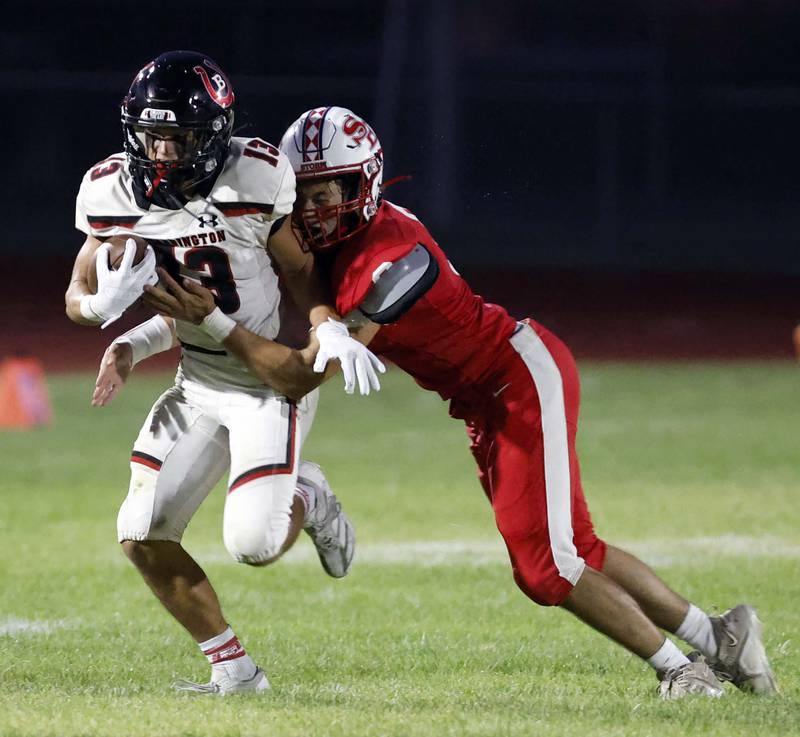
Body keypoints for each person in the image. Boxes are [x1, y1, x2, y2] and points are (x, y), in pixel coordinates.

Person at [117, 106, 777, 699]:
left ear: (363, 185)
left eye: (328, 191)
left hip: (516, 377)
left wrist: (219, 326)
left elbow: (293, 378)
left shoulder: (387, 259)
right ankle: (718, 635)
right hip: (482, 399)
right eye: (305, 192)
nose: (314, 209)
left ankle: (679, 668)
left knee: (547, 569)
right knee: (577, 549)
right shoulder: (330, 246)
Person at [65, 56, 384, 695]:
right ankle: (234, 671)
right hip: (196, 381)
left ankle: (309, 494)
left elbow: (297, 272)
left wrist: (327, 326)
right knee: (140, 533)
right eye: (153, 135)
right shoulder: (111, 192)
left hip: (263, 382)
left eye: (179, 137)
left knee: (254, 544)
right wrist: (107, 316)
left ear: (212, 135)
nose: (163, 151)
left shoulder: (258, 175)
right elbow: (78, 289)